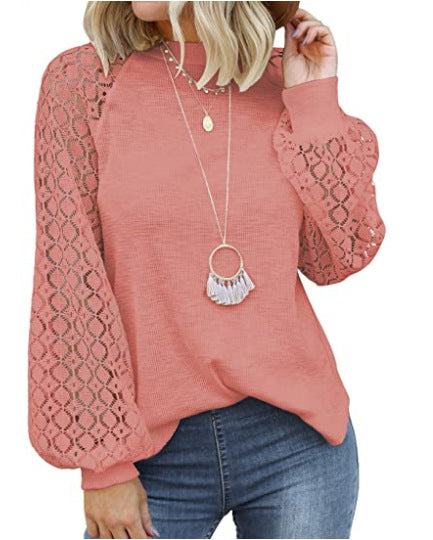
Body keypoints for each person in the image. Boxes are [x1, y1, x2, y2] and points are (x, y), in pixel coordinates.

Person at [27, 1, 386, 538]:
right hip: (149, 454)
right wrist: (103, 465)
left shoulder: (281, 83)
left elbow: (338, 255)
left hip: (297, 444)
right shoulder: (84, 84)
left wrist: (313, 102)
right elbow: (69, 279)